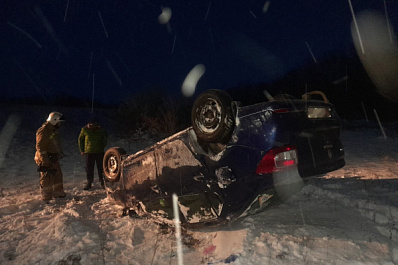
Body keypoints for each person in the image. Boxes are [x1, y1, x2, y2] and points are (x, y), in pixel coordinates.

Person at [34, 111, 66, 202]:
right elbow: (40, 146)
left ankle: (58, 193)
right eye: (59, 122)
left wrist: (59, 152)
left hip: (53, 157)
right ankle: (46, 196)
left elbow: (55, 144)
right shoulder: (44, 131)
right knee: (46, 177)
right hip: (45, 157)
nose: (60, 124)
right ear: (54, 121)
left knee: (57, 175)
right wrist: (45, 159)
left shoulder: (53, 130)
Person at [78, 116, 108, 190]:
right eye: (91, 123)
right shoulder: (84, 130)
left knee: (101, 168)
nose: (93, 125)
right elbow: (80, 140)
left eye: (95, 124)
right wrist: (82, 150)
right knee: (89, 168)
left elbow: (105, 139)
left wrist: (101, 147)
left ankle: (102, 182)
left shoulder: (101, 130)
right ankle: (89, 182)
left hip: (99, 152)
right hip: (88, 152)